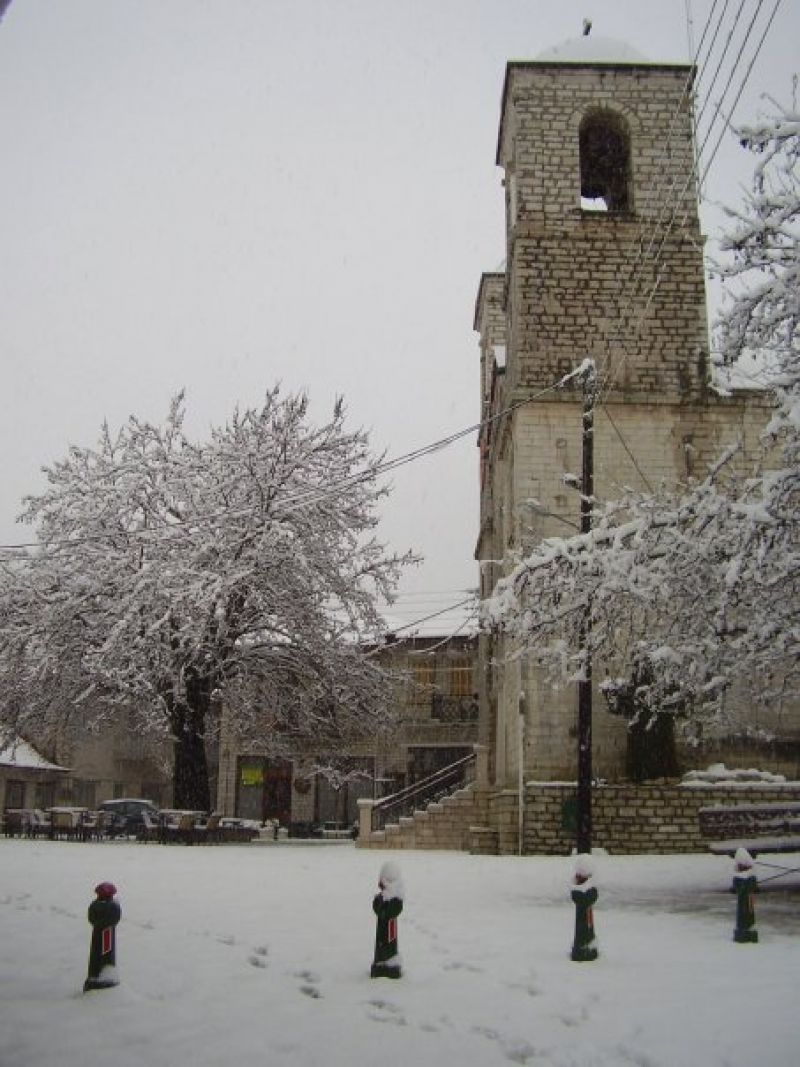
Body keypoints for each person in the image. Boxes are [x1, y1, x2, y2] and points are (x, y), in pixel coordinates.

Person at [84, 881, 121, 991]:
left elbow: (92, 918)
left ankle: (97, 976)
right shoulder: (112, 906)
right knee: (103, 954)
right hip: (104, 935)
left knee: (98, 954)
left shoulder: (95, 906)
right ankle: (102, 975)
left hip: (100, 934)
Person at [370, 861, 404, 978]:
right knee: (381, 946)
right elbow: (377, 908)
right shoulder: (380, 898)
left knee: (390, 946)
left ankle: (390, 961)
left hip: (390, 933)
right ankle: (381, 961)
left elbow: (395, 910)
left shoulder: (396, 900)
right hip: (381, 931)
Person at [570, 853, 599, 962]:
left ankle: (584, 947)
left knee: (585, 925)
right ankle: (586, 946)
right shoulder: (589, 891)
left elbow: (579, 896)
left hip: (585, 910)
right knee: (585, 925)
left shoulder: (586, 892)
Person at [731, 847, 759, 943]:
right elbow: (736, 888)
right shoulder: (740, 877)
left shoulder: (750, 876)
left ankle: (747, 930)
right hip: (744, 901)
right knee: (744, 915)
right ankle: (744, 931)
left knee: (748, 914)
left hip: (748, 900)